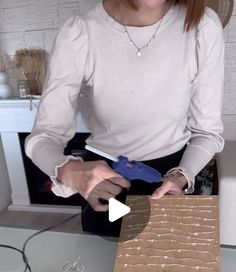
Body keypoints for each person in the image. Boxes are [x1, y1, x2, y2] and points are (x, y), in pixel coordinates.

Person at [25, 0, 225, 236]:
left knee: (167, 267)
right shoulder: (80, 32)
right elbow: (43, 138)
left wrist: (181, 176)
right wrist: (68, 171)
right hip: (107, 183)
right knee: (105, 265)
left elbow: (207, 132)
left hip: (171, 179)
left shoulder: (203, 26)